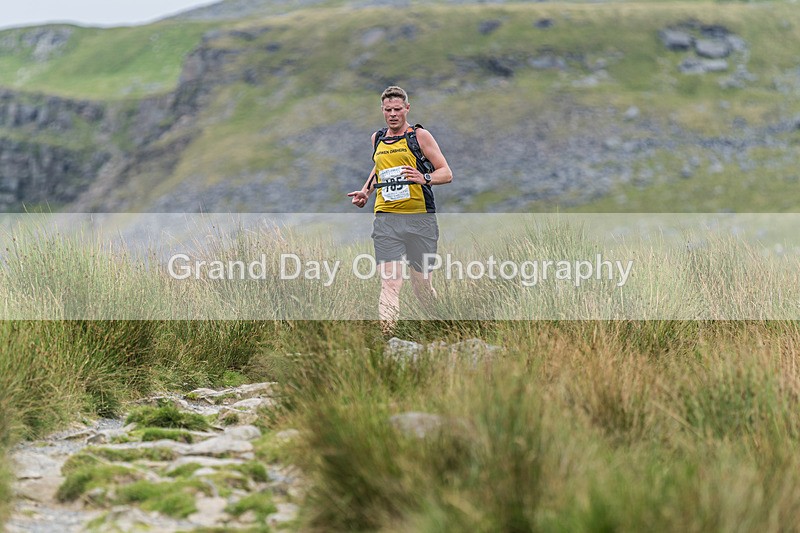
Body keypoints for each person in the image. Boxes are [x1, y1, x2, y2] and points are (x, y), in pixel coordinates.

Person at [348, 86, 453, 335]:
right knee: (390, 283)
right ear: (382, 111)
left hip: (420, 220)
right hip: (387, 220)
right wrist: (366, 191)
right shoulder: (378, 138)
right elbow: (380, 168)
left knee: (422, 287)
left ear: (407, 108)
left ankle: (443, 328)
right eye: (388, 110)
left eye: (397, 109)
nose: (393, 114)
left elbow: (446, 173)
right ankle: (388, 340)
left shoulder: (420, 137)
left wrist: (423, 177)